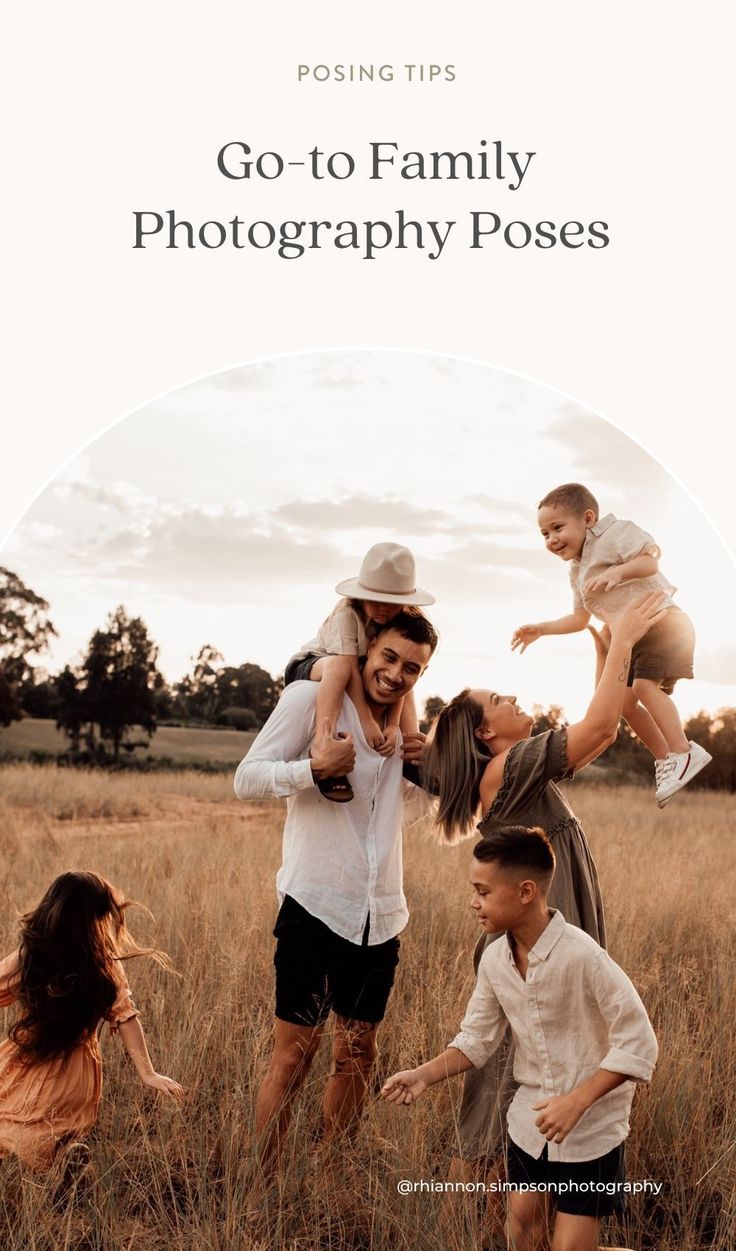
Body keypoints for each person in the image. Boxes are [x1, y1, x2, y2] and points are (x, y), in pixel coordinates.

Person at [421, 594, 664, 1192]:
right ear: (485, 731)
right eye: (499, 701)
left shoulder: (516, 769)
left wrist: (602, 639)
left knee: (534, 1071)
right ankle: (463, 1218)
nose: (512, 699)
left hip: (550, 941)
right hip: (532, 946)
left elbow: (600, 733)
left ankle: (528, 1211)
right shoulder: (508, 769)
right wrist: (627, 636)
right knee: (494, 1090)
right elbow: (602, 725)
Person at [234, 609, 438, 1195]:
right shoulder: (309, 699)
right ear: (369, 646)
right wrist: (312, 768)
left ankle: (329, 1181)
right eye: (391, 658)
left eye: (412, 668)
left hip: (381, 915)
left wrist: (430, 769)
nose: (397, 674)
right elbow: (247, 778)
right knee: (293, 1059)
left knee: (359, 1055)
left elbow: (412, 811)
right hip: (314, 904)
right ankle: (262, 1190)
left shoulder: (404, 734)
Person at [382, 826, 657, 1251]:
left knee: (570, 1249)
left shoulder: (583, 956)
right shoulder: (495, 960)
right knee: (522, 1233)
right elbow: (477, 1038)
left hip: (591, 1129)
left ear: (526, 891)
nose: (474, 901)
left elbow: (639, 1043)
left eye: (484, 891)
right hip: (529, 1122)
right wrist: (423, 1075)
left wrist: (577, 1101)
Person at [511, 482, 711, 806]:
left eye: (557, 528)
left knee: (646, 688)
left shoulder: (615, 534)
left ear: (588, 518)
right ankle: (667, 760)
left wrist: (619, 572)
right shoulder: (576, 572)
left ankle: (685, 752)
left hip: (663, 623)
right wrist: (542, 629)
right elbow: (579, 619)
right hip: (636, 637)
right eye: (544, 534)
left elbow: (650, 562)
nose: (551, 540)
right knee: (625, 704)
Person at [0, 871, 183, 1173]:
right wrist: (148, 1074)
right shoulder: (103, 964)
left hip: (30, 1060)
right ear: (95, 919)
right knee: (53, 1127)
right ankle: (64, 1157)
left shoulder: (31, 957)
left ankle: (55, 1159)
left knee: (15, 1119)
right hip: (77, 1079)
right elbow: (126, 1018)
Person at [284, 541, 435, 801]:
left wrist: (392, 726)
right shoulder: (347, 614)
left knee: (404, 677)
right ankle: (324, 743)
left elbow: (396, 676)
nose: (380, 609)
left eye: (390, 602)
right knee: (340, 666)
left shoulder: (395, 623)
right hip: (313, 664)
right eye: (373, 600)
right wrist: (366, 722)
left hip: (348, 668)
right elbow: (350, 669)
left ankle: (412, 758)